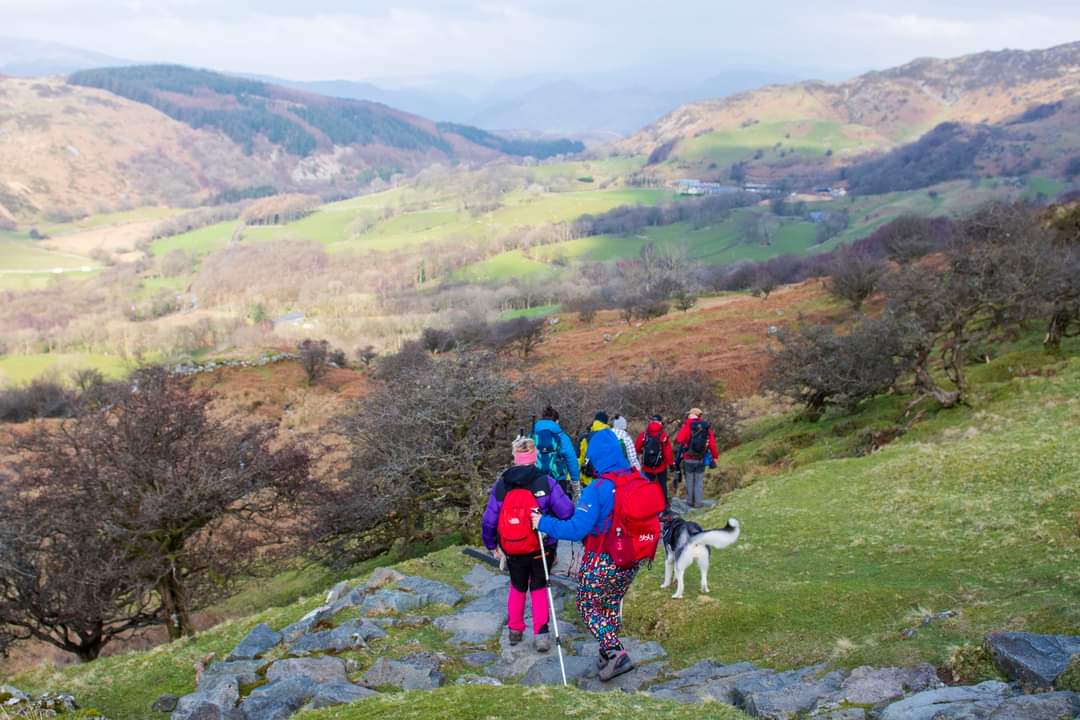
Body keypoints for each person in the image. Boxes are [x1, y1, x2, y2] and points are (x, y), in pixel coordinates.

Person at [534, 428, 642, 681]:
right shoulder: (637, 480)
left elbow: (576, 529)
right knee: (610, 602)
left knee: (586, 605)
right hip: (630, 556)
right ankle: (608, 652)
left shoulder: (598, 488)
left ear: (596, 457)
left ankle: (616, 652)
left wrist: (543, 523)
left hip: (603, 556)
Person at [482, 436, 574, 651]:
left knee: (517, 586)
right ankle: (541, 635)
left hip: (512, 547)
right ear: (535, 457)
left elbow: (490, 519)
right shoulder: (545, 481)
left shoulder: (502, 485)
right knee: (539, 587)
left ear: (514, 457)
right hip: (542, 546)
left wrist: (491, 544)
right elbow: (567, 511)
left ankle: (515, 630)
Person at [532, 405, 581, 499]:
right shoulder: (562, 437)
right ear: (557, 421)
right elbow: (571, 460)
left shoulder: (532, 436)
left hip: (536, 481)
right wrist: (575, 482)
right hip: (558, 481)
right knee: (560, 510)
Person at [674, 407, 719, 508]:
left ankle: (690, 502)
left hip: (688, 458)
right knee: (699, 482)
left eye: (689, 414)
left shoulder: (687, 425)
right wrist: (715, 456)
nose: (688, 415)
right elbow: (712, 443)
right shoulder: (706, 426)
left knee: (689, 480)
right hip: (701, 458)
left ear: (692, 415)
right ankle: (698, 503)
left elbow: (679, 439)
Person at [636, 414, 674, 509]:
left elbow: (637, 448)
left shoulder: (644, 435)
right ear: (660, 423)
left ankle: (649, 505)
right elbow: (667, 452)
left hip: (647, 466)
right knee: (662, 485)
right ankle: (665, 505)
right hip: (661, 466)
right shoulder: (663, 435)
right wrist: (671, 464)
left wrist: (644, 452)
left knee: (648, 486)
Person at [577, 411, 613, 487]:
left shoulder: (585, 437)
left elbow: (579, 459)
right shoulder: (611, 437)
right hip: (605, 479)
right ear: (606, 423)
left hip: (587, 480)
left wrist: (575, 478)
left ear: (595, 421)